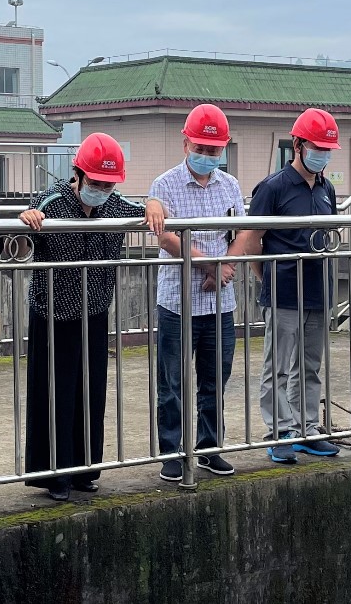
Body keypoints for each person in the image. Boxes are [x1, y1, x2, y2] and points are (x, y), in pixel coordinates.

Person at [19, 133, 165, 501]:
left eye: (108, 184)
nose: (101, 190)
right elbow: (17, 245)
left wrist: (154, 202)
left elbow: (145, 210)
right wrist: (26, 220)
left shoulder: (116, 206)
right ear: (78, 174)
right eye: (95, 182)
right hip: (53, 314)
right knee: (55, 395)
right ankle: (54, 475)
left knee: (90, 393)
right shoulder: (50, 203)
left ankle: (85, 470)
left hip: (95, 313)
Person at [149, 104, 250, 481]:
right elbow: (165, 237)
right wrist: (211, 265)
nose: (207, 155)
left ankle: (209, 448)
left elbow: (243, 232)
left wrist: (226, 266)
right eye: (201, 148)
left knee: (215, 379)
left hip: (220, 301)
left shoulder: (230, 185)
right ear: (186, 144)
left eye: (213, 150)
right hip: (178, 301)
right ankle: (172, 452)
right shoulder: (165, 184)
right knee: (171, 383)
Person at [237, 108, 341, 464]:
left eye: (327, 150)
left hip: (318, 291)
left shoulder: (326, 188)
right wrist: (265, 278)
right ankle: (279, 431)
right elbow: (252, 240)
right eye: (317, 148)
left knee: (309, 366)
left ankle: (306, 429)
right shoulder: (273, 187)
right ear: (297, 145)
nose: (322, 155)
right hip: (283, 291)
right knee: (278, 367)